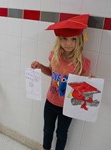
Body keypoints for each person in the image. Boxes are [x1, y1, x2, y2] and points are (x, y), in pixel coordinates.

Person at [31, 14, 92, 150]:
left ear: (79, 40)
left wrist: (90, 82)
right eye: (64, 39)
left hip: (68, 107)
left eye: (73, 39)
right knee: (47, 130)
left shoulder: (83, 63)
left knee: (62, 133)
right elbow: (52, 73)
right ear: (59, 40)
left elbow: (84, 89)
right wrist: (40, 66)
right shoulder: (54, 56)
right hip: (50, 102)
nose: (68, 43)